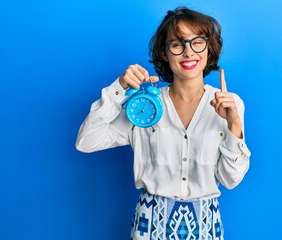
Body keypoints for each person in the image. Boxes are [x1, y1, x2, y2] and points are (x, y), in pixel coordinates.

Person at [76, 6, 251, 240]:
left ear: (209, 49)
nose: (188, 52)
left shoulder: (231, 105)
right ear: (165, 53)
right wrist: (119, 89)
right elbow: (86, 142)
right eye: (177, 44)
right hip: (149, 228)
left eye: (197, 42)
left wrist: (234, 126)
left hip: (206, 227)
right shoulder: (143, 105)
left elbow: (231, 180)